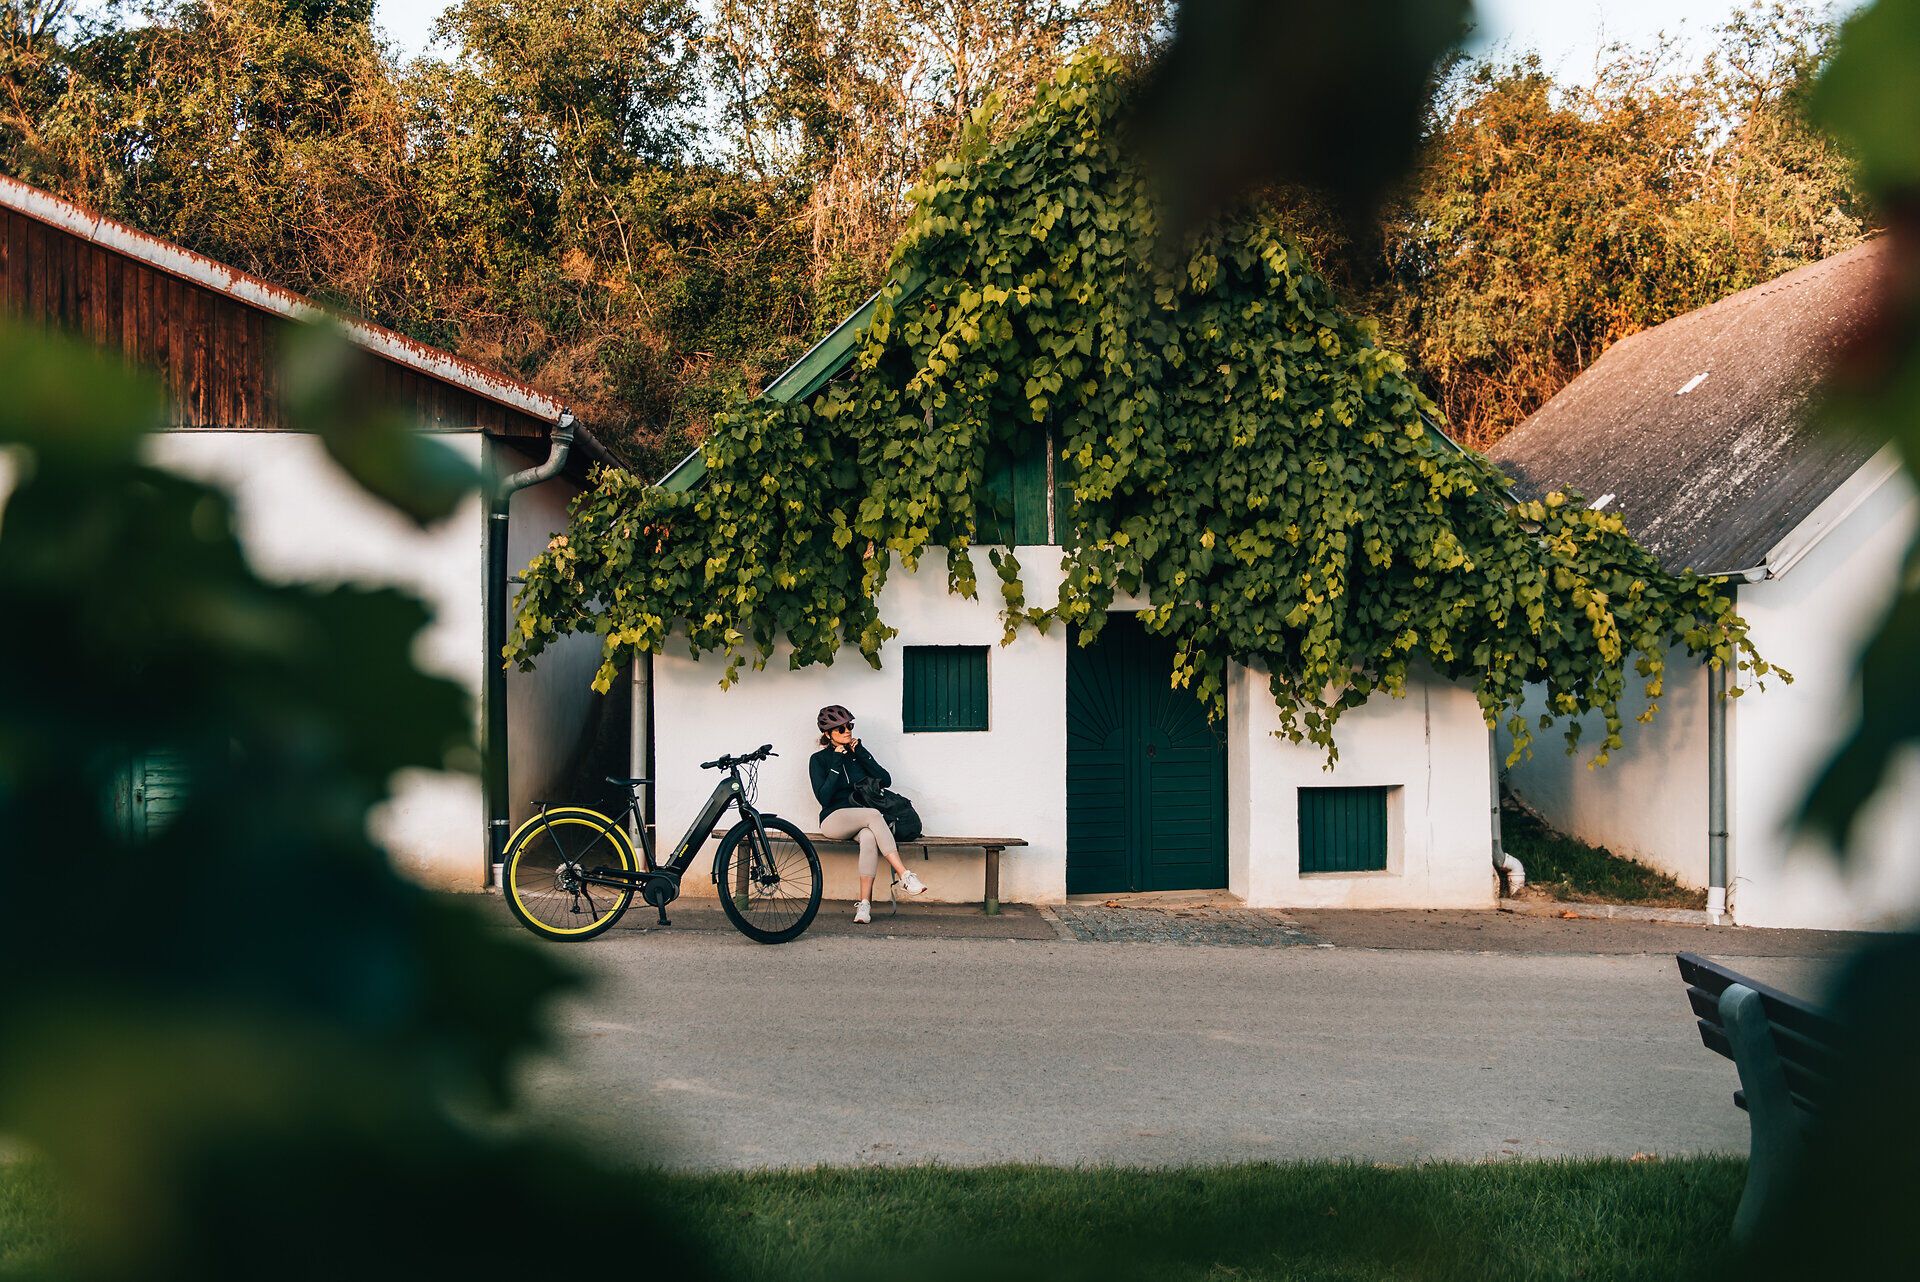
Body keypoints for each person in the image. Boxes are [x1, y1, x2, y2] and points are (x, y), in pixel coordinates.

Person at [810, 704, 926, 924]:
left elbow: (885, 779)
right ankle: (904, 875)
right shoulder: (818, 760)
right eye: (840, 729)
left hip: (861, 819)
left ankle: (864, 905)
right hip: (833, 820)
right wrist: (836, 760)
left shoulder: (857, 755)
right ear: (827, 734)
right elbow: (824, 798)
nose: (847, 731)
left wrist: (861, 754)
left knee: (869, 837)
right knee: (873, 815)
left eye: (849, 726)